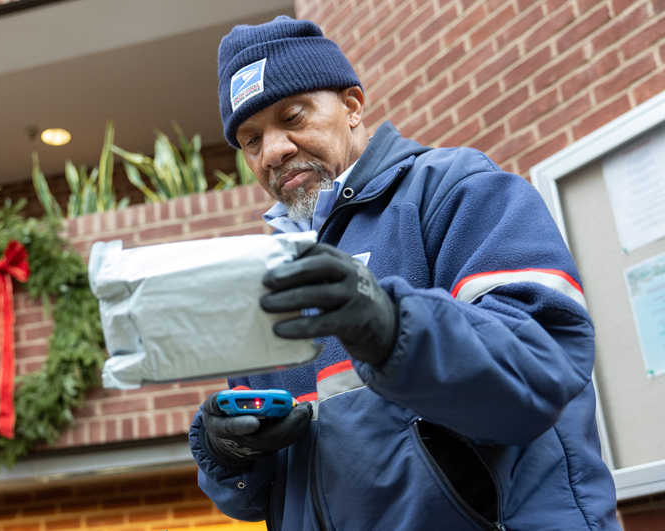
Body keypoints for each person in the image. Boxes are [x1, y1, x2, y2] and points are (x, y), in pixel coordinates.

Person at [189, 15, 621, 531]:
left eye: (294, 117)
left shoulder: (460, 190)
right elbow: (251, 498)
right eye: (252, 139)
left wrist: (392, 326)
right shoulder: (268, 277)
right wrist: (229, 451)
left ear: (352, 107)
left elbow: (539, 371)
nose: (274, 150)